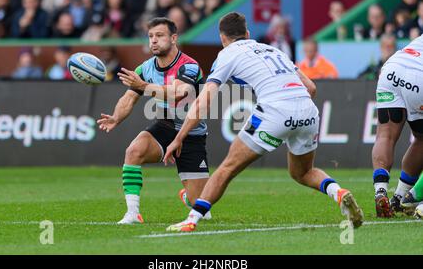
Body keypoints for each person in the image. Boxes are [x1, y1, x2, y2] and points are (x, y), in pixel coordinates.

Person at [163, 12, 363, 232]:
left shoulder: (227, 54)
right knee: (303, 172)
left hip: (274, 110)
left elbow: (204, 100)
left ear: (223, 38)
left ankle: (191, 220)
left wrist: (180, 137)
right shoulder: (273, 50)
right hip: (307, 109)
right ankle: (339, 193)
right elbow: (311, 88)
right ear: (247, 34)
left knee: (227, 168)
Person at [96, 17, 211, 225]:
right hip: (165, 126)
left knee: (199, 202)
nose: (154, 41)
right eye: (150, 36)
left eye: (159, 36)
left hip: (190, 133)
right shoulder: (146, 68)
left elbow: (178, 94)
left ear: (174, 38)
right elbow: (128, 98)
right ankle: (133, 213)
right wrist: (116, 118)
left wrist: (143, 86)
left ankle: (188, 197)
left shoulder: (190, 66)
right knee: (133, 151)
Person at [372, 34, 423, 217]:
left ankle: (381, 190)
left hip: (393, 68)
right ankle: (401, 196)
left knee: (385, 135)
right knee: (421, 140)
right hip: (419, 76)